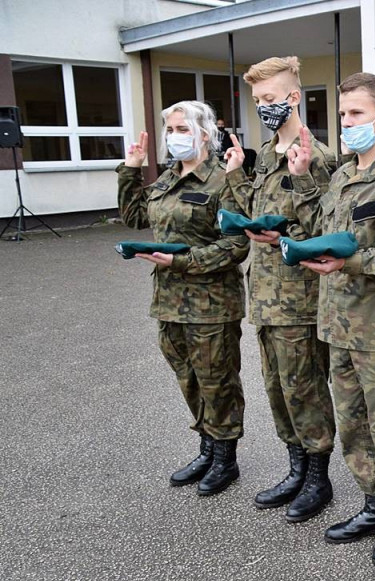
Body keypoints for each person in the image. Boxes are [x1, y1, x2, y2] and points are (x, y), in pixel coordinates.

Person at [290, 73, 375, 566]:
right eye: (343, 114)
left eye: (356, 115)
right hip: (338, 323)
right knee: (352, 425)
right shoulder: (343, 176)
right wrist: (304, 179)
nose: (347, 123)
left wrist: (344, 262)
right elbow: (318, 232)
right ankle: (371, 502)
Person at [221, 56, 338, 522]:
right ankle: (296, 467)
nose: (263, 107)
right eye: (257, 101)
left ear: (294, 97)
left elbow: (326, 228)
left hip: (300, 297)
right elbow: (252, 209)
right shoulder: (267, 153)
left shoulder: (319, 156)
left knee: (304, 387)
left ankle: (318, 478)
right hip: (266, 296)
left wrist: (287, 232)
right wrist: (234, 175)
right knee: (277, 388)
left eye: (270, 99)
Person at [116, 100, 249, 496]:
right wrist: (131, 170)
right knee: (188, 378)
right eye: (169, 130)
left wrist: (181, 260)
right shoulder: (166, 179)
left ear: (204, 134)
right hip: (169, 302)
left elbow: (237, 243)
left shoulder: (224, 180)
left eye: (181, 129)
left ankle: (226, 457)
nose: (173, 137)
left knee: (217, 381)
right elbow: (136, 217)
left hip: (212, 304)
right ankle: (207, 447)